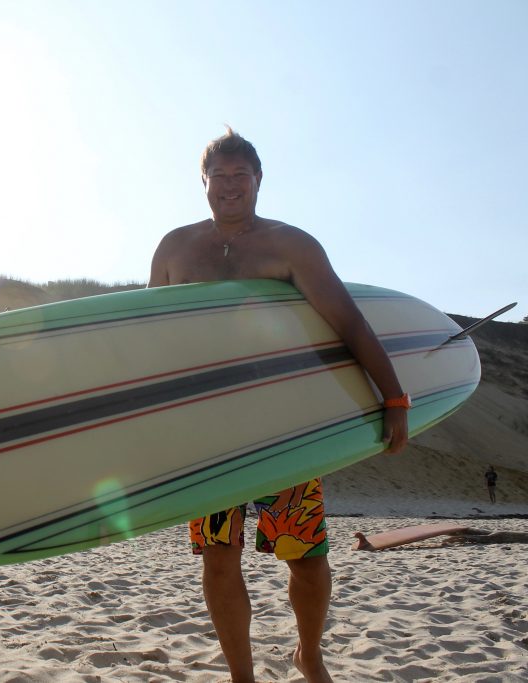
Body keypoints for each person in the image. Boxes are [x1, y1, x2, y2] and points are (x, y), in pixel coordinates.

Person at [148, 128, 410, 683]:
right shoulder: (174, 249)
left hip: (284, 427)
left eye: (240, 175)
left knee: (308, 559)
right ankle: (242, 675)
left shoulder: (291, 246)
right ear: (203, 183)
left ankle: (308, 653)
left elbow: (348, 322)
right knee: (219, 559)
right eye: (217, 176)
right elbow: (153, 341)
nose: (229, 186)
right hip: (208, 434)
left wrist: (393, 396)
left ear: (258, 180)